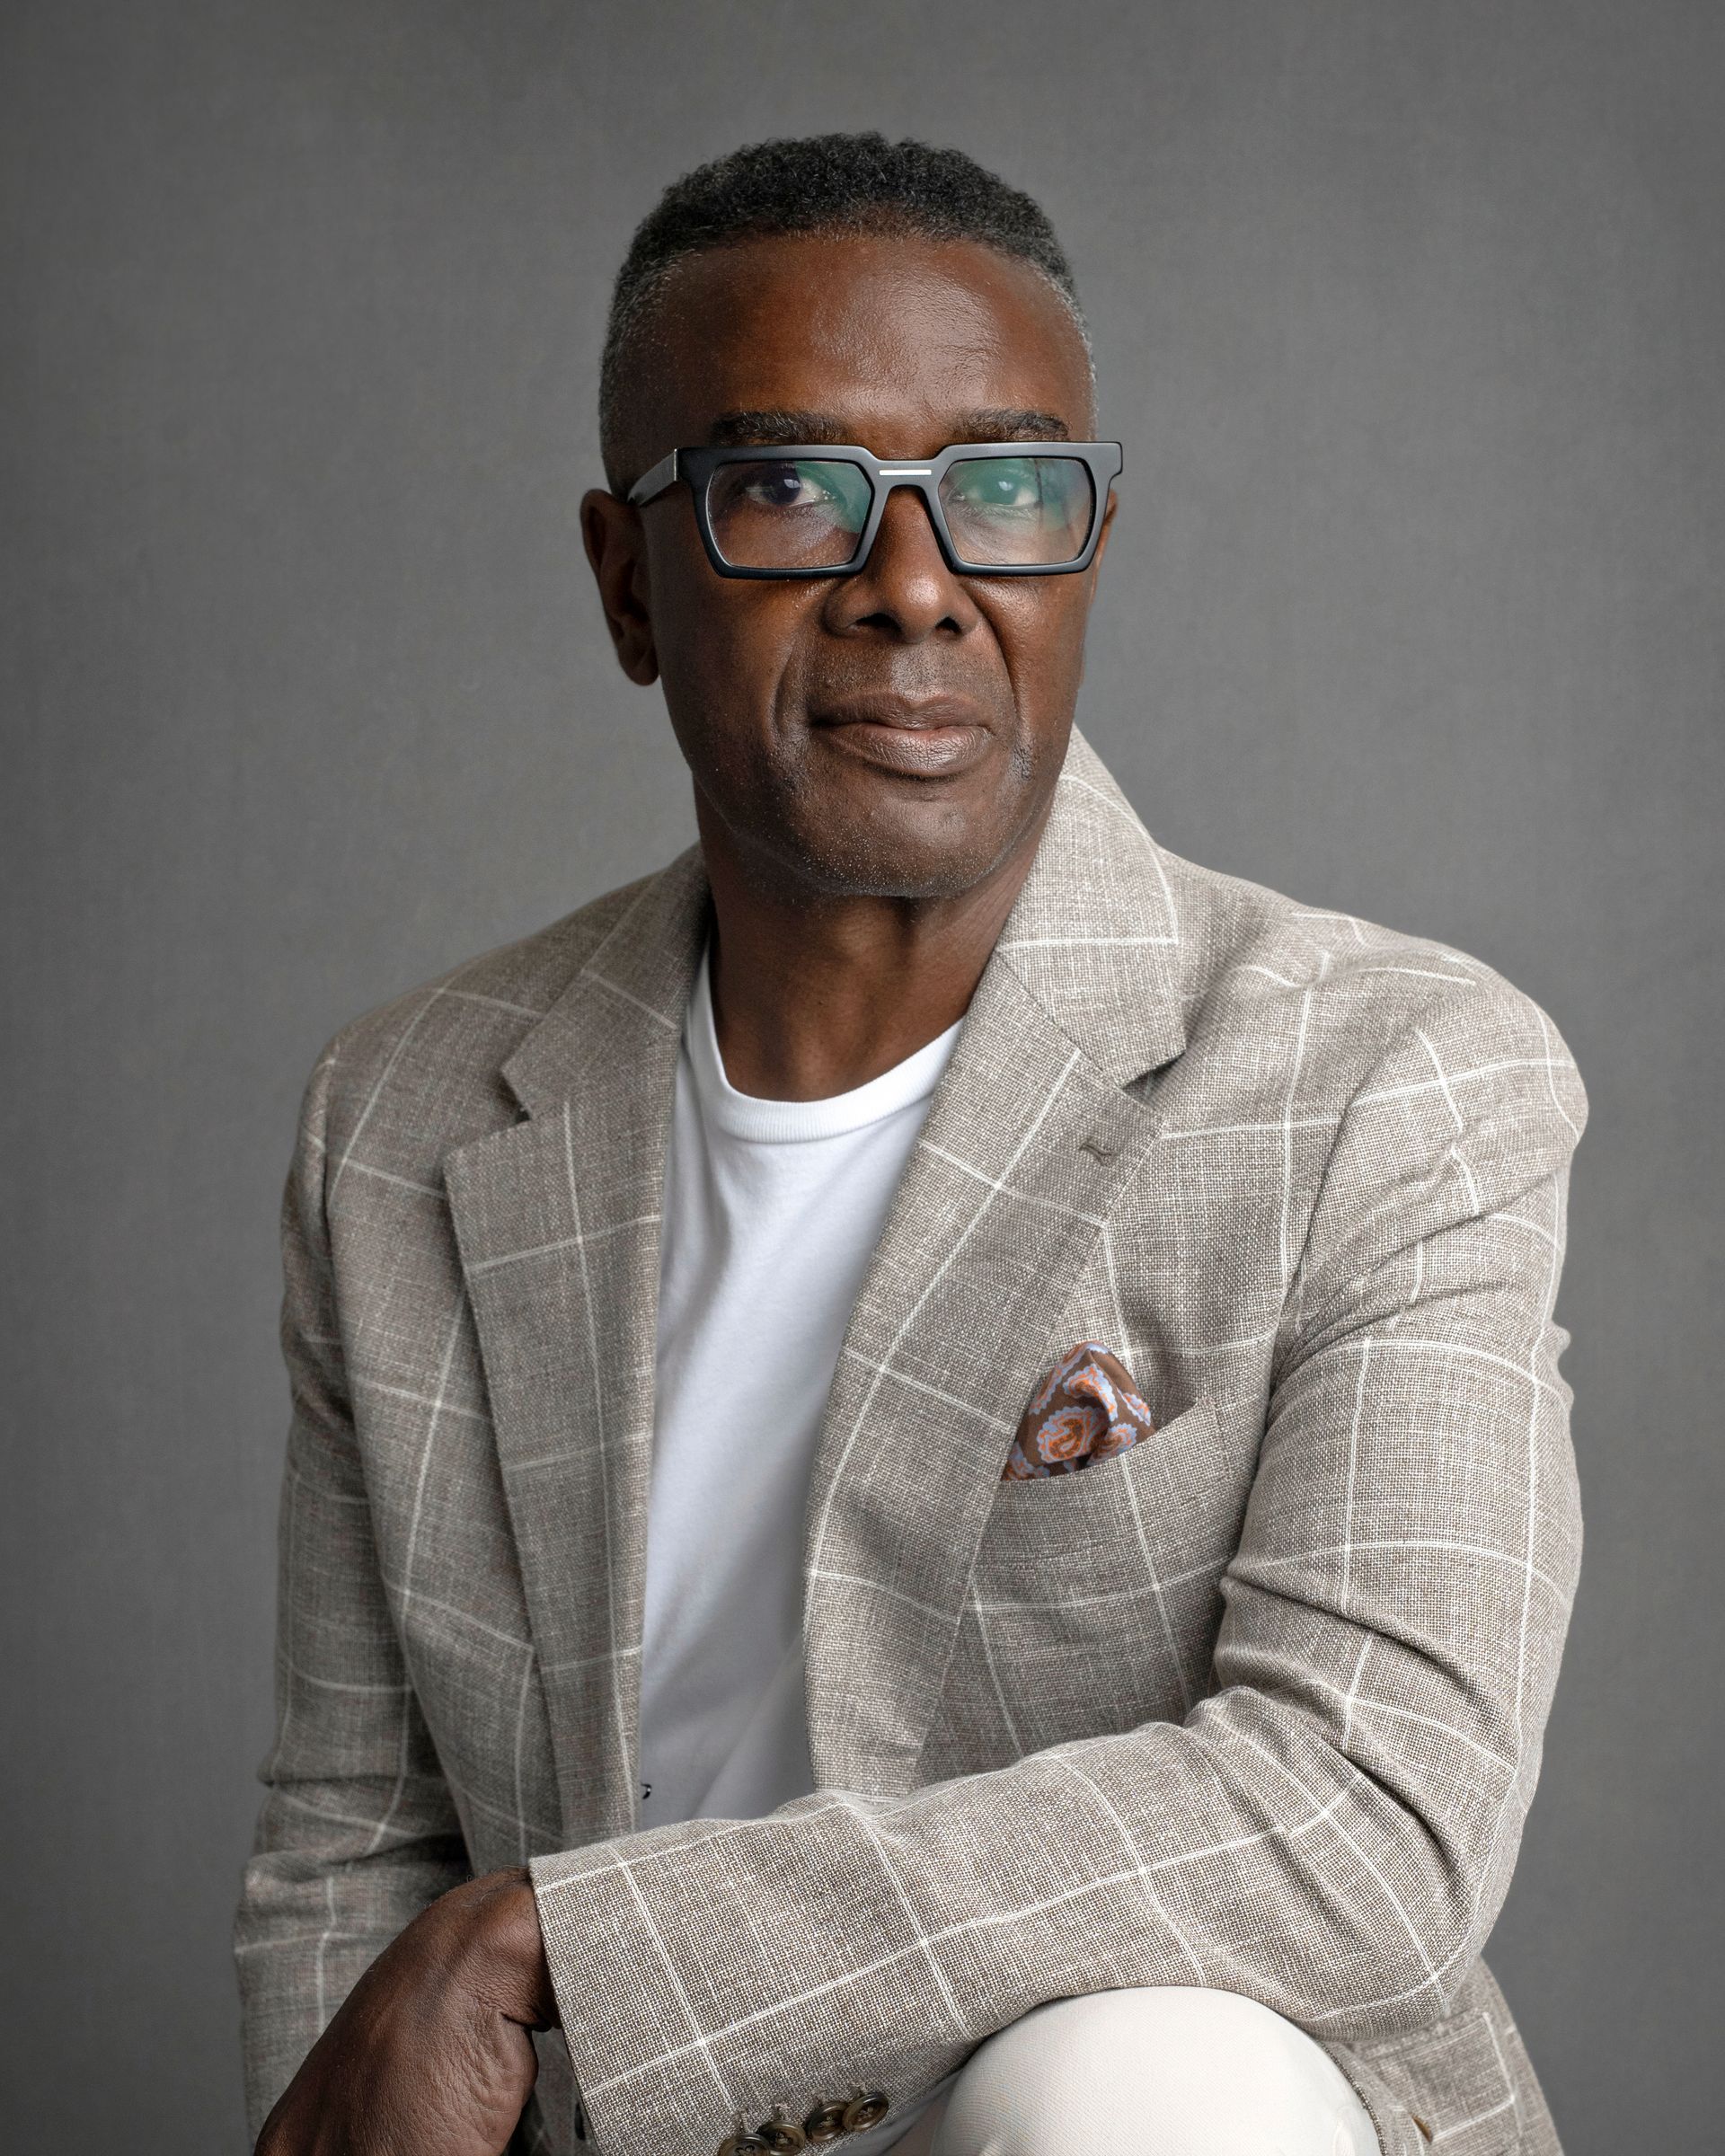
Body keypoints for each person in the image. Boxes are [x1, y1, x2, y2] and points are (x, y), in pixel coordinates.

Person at [235, 134, 1587, 2156]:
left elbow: (1362, 1818)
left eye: (1006, 492)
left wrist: (585, 1947)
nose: (915, 590)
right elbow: (355, 1852)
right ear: (628, 582)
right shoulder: (411, 1118)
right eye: (790, 490)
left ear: (1088, 550)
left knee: (1149, 2083)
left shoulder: (1387, 1076)